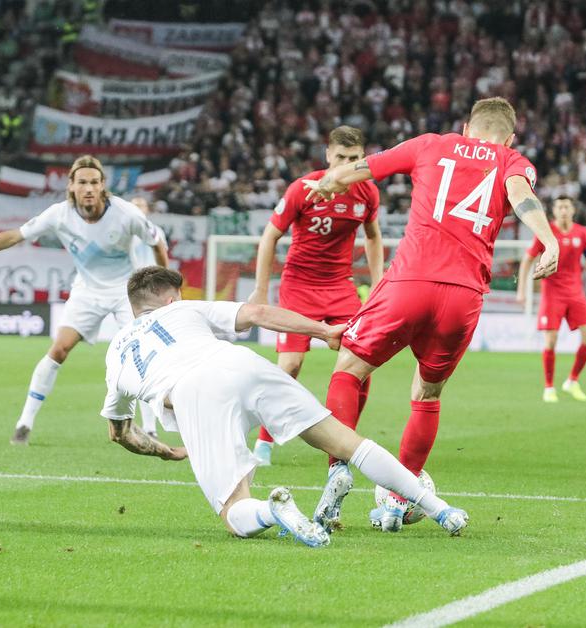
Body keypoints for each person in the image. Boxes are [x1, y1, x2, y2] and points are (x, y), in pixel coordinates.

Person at [303, 97, 560, 532]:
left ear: (467, 127)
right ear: (509, 138)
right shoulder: (512, 161)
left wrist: (332, 179)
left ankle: (338, 468)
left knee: (349, 369)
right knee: (426, 395)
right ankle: (397, 502)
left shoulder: (431, 144)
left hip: (410, 281)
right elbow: (522, 197)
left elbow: (365, 167)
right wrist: (549, 240)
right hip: (463, 295)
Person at [100, 267, 469, 547]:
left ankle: (272, 509)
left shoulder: (115, 355)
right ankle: (441, 509)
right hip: (241, 362)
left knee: (233, 511)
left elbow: (120, 432)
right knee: (346, 442)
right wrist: (324, 331)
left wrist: (167, 452)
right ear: (171, 300)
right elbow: (258, 313)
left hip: (193, 391)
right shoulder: (183, 310)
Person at [0, 155, 168, 445]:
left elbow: (157, 243)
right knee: (59, 349)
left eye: (94, 182)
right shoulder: (59, 214)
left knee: (140, 354)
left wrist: (164, 286)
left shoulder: (126, 213)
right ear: (71, 186)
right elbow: (14, 236)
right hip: (86, 291)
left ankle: (149, 429)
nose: (88, 188)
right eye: (82, 182)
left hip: (125, 292)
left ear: (103, 186)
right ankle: (24, 424)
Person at [248, 125, 384, 467]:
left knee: (361, 361)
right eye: (341, 157)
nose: (347, 165)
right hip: (299, 285)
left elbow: (372, 236)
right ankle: (264, 441)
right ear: (328, 156)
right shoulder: (303, 188)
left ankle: (344, 441)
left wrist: (378, 283)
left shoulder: (367, 192)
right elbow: (269, 237)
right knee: (290, 365)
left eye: (355, 158)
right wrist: (261, 291)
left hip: (340, 285)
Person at [516, 196, 586, 402]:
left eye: (567, 206)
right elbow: (527, 260)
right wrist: (521, 290)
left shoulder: (582, 233)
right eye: (560, 207)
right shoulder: (546, 232)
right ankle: (549, 388)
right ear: (554, 211)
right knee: (551, 340)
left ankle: (572, 381)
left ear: (573, 210)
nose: (563, 210)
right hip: (552, 293)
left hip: (575, 293)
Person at [129, 195, 167, 436]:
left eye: (141, 206)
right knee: (139, 358)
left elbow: (163, 261)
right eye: (133, 207)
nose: (137, 210)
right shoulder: (127, 232)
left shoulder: (156, 232)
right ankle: (149, 427)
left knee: (149, 358)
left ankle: (151, 425)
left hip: (153, 296)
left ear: (147, 210)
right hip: (132, 298)